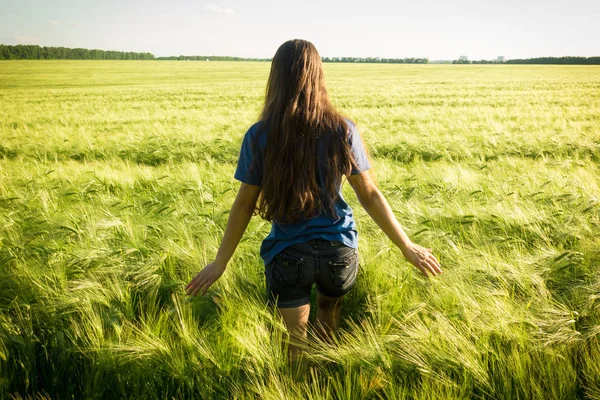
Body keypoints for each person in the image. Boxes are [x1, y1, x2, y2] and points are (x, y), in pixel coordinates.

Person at [185, 39, 442, 355]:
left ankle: (298, 386)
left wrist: (220, 262)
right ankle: (322, 381)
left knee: (294, 346)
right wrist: (407, 246)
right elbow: (370, 194)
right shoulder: (342, 129)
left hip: (287, 254)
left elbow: (244, 204)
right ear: (318, 75)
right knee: (327, 329)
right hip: (339, 253)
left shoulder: (261, 134)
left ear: (276, 77)